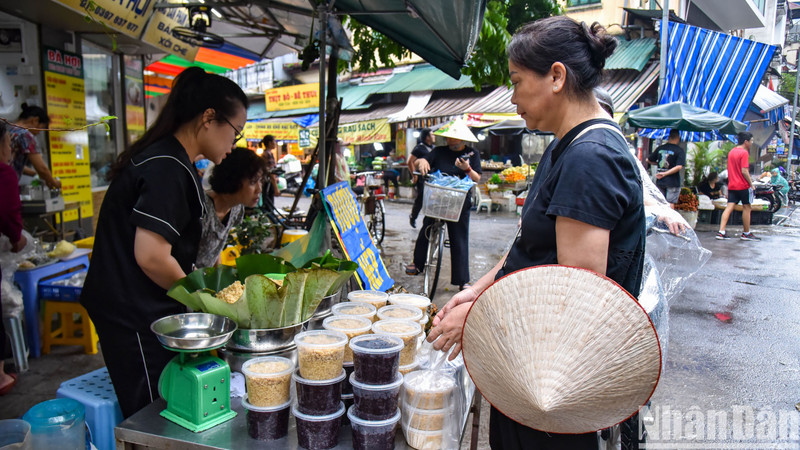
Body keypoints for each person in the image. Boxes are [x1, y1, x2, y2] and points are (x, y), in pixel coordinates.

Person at [427, 17, 645, 449]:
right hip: (530, 366)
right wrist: (475, 291)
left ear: (557, 77)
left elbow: (574, 296)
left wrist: (479, 316)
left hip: (556, 382)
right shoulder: (565, 143)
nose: (512, 97)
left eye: (517, 81)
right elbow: (530, 248)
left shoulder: (590, 157)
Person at [79, 67, 248, 418]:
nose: (234, 145)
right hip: (132, 311)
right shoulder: (167, 166)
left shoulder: (172, 160)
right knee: (150, 409)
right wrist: (204, 303)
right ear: (208, 119)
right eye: (236, 132)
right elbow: (152, 256)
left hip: (141, 303)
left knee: (165, 399)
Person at [405, 120, 482, 290]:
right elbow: (420, 161)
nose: (450, 140)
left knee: (459, 238)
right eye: (448, 137)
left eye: (453, 137)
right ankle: (417, 263)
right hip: (438, 198)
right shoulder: (439, 151)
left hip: (459, 202)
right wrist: (421, 162)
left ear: (461, 138)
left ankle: (462, 280)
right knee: (427, 226)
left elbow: (477, 178)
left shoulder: (472, 153)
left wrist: (467, 168)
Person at [196, 147, 267, 268]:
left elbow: (215, 248)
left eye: (260, 181)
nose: (259, 189)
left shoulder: (236, 210)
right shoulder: (201, 209)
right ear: (233, 180)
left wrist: (217, 273)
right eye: (253, 182)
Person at [0, 121, 26, 396]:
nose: (10, 149)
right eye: (8, 143)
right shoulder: (4, 174)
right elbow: (8, 213)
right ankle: (0, 376)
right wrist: (16, 237)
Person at [717, 132, 759, 241]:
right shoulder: (744, 153)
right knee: (747, 207)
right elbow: (744, 170)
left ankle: (721, 231)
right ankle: (746, 233)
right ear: (746, 141)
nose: (752, 143)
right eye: (751, 140)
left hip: (732, 185)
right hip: (743, 185)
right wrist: (751, 184)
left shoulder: (732, 152)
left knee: (729, 207)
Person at [8, 103, 61, 189]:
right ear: (35, 120)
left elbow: (13, 163)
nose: (38, 133)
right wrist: (54, 183)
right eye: (40, 129)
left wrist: (36, 174)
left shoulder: (8, 129)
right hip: (6, 184)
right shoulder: (25, 134)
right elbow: (42, 168)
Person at [647, 129, 685, 209]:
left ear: (669, 136)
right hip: (673, 182)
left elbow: (648, 160)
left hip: (660, 180)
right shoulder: (679, 151)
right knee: (670, 203)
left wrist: (658, 164)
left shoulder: (660, 148)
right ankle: (669, 217)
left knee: (659, 202)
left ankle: (659, 217)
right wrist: (665, 174)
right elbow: (679, 166)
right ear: (678, 137)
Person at [408, 128, 434, 228]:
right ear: (427, 137)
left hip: (433, 177)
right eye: (432, 135)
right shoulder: (419, 148)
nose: (434, 136)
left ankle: (429, 222)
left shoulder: (434, 148)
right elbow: (410, 161)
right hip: (422, 177)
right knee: (421, 197)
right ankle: (413, 216)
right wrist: (414, 175)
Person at [260, 135, 279, 210]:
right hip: (268, 184)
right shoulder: (268, 155)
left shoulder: (268, 153)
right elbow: (271, 173)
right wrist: (276, 188)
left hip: (267, 183)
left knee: (268, 206)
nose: (275, 143)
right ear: (270, 143)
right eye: (274, 141)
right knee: (269, 207)